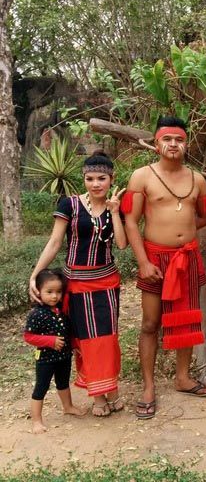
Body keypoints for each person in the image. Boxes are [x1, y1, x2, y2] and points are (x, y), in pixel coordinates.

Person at [123, 116, 206, 420]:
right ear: (156, 143)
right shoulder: (141, 177)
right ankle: (148, 387)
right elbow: (130, 220)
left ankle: (183, 377)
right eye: (167, 139)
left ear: (186, 143)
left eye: (179, 139)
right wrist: (143, 261)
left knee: (187, 321)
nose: (173, 144)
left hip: (186, 258)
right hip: (154, 260)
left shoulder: (197, 179)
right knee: (151, 323)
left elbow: (205, 215)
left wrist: (185, 231)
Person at [29, 151, 127, 418]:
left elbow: (121, 244)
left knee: (107, 339)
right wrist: (36, 275)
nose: (96, 184)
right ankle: (98, 396)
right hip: (76, 283)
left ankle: (113, 390)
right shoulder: (69, 205)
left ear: (111, 179)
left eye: (102, 178)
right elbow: (55, 242)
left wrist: (116, 212)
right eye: (90, 178)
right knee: (86, 340)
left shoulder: (115, 206)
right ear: (83, 179)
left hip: (107, 282)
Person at [24, 269, 86, 433]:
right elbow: (29, 337)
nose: (54, 296)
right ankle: (37, 421)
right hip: (45, 358)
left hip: (64, 356)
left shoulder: (61, 310)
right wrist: (50, 341)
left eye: (58, 292)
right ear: (38, 291)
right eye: (49, 292)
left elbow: (68, 331)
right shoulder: (36, 314)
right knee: (41, 387)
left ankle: (68, 407)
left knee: (63, 383)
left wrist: (75, 345)